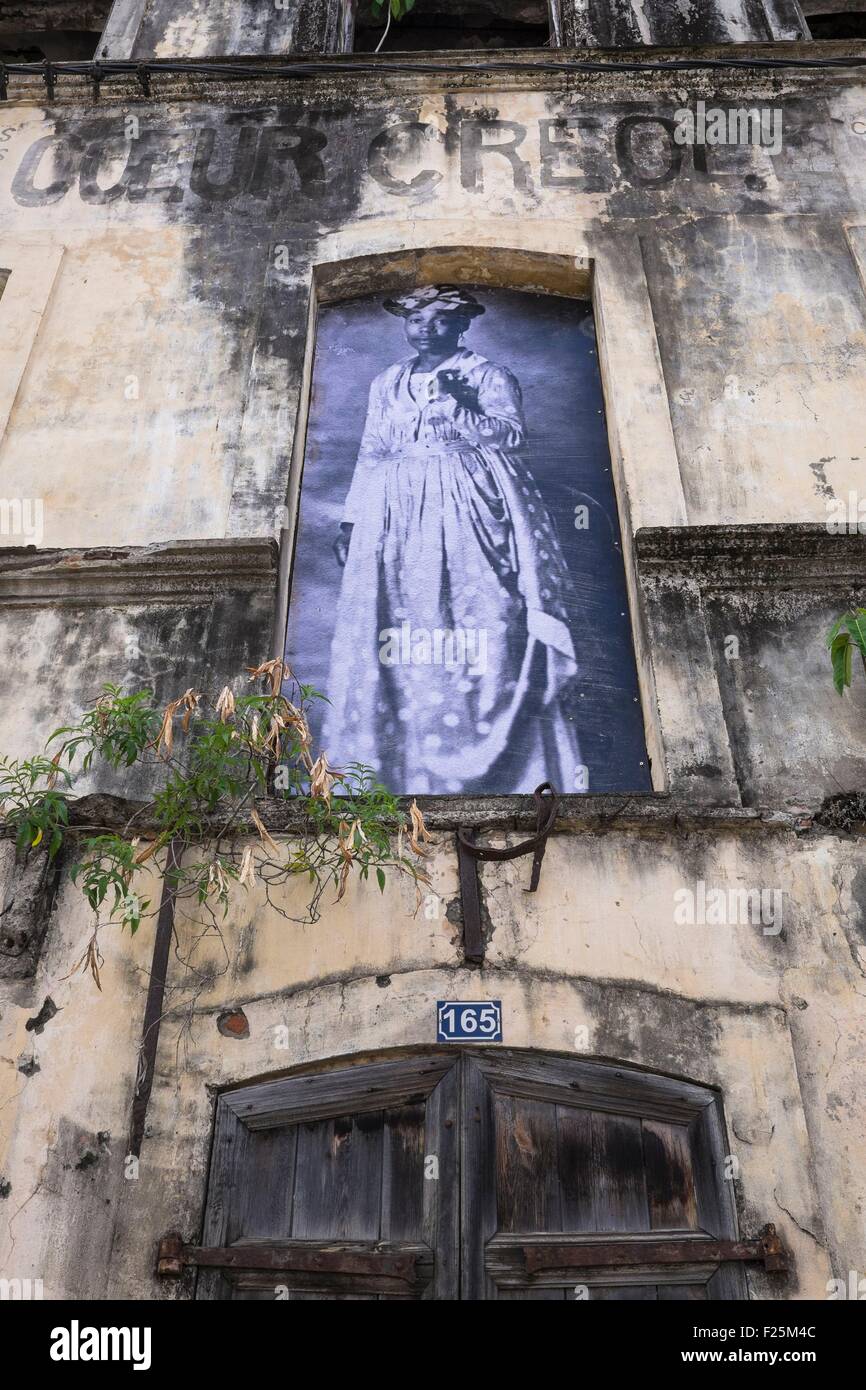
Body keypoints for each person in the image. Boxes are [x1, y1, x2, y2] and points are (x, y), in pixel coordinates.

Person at [322, 284, 581, 794]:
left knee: (480, 618)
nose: (426, 329)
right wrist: (352, 521)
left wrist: (459, 411)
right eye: (416, 320)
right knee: (401, 622)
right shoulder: (387, 382)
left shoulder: (487, 374)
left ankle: (490, 758)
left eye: (439, 319)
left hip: (466, 502)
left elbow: (512, 437)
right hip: (393, 510)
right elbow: (372, 451)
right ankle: (406, 767)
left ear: (461, 324)